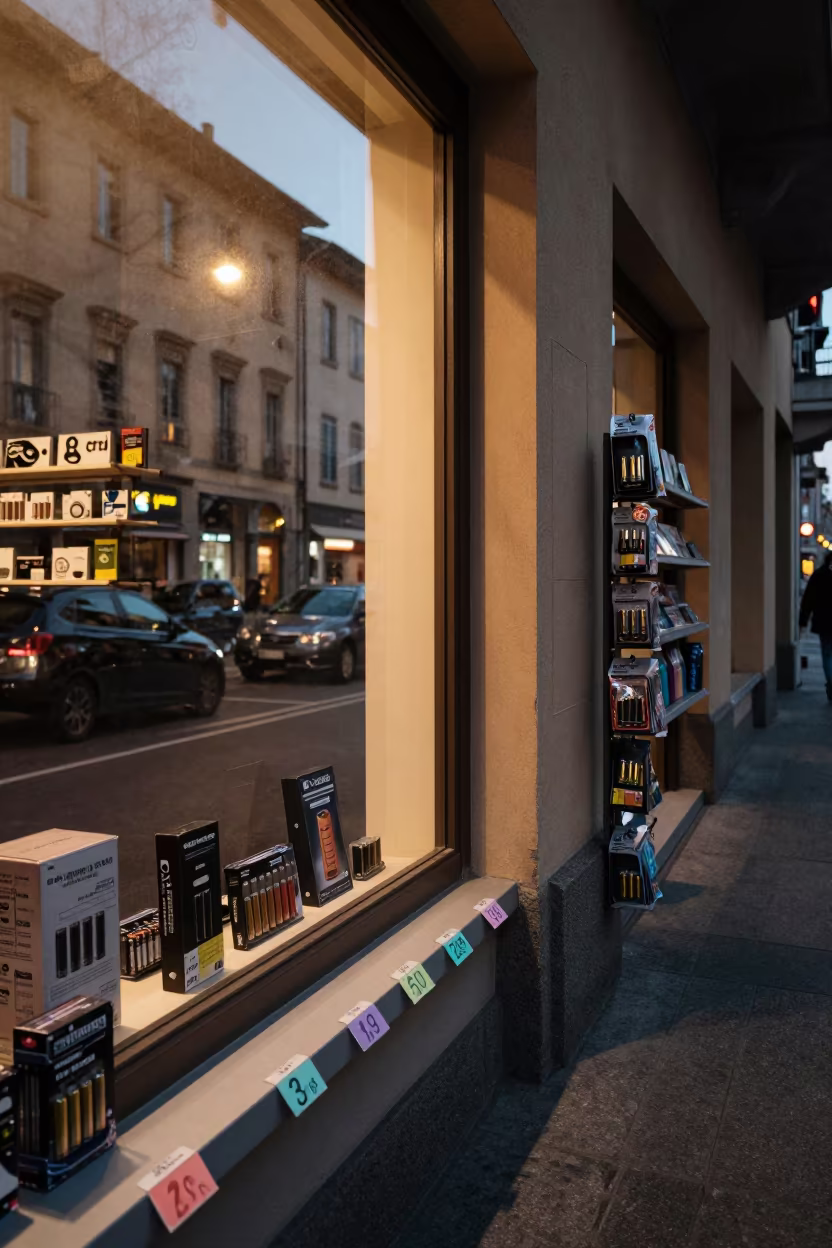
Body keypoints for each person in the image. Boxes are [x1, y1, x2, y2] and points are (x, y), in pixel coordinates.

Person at [799, 551, 832, 701]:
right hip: (824, 622)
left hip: (824, 622)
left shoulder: (818, 576)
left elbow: (808, 599)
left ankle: (831, 684)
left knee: (827, 654)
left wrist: (803, 621)